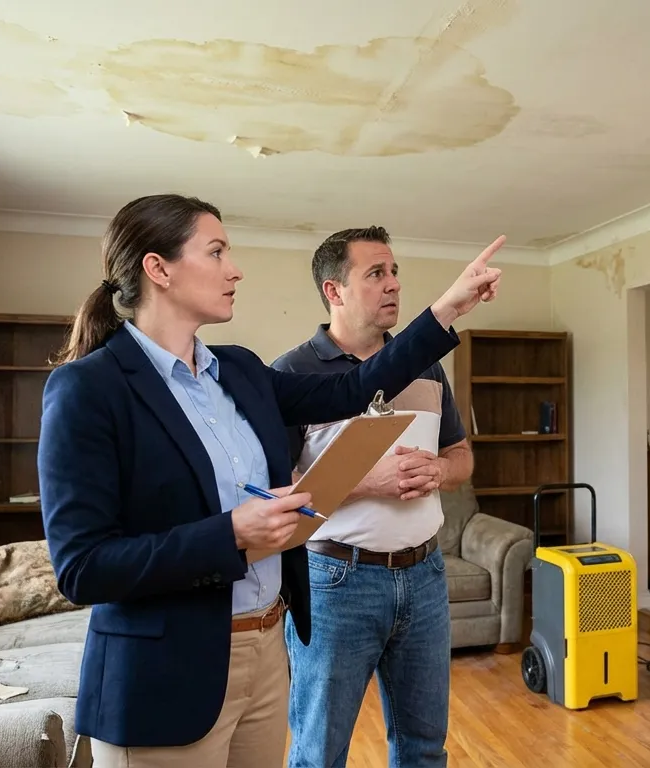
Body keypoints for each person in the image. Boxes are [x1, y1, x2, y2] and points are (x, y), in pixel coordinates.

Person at [36, 194, 504, 768]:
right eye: (216, 252)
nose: (235, 268)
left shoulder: (237, 370)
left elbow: (353, 390)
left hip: (264, 647)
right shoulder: (88, 388)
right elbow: (82, 568)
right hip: (170, 669)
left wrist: (446, 310)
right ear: (158, 269)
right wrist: (231, 531)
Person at [272, 226, 471, 767]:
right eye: (376, 274)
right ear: (333, 291)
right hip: (336, 583)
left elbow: (463, 458)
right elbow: (275, 496)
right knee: (319, 753)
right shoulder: (291, 374)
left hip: (426, 577)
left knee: (425, 750)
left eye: (395, 272)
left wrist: (439, 469)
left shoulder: (426, 365)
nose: (393, 285)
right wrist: (368, 480)